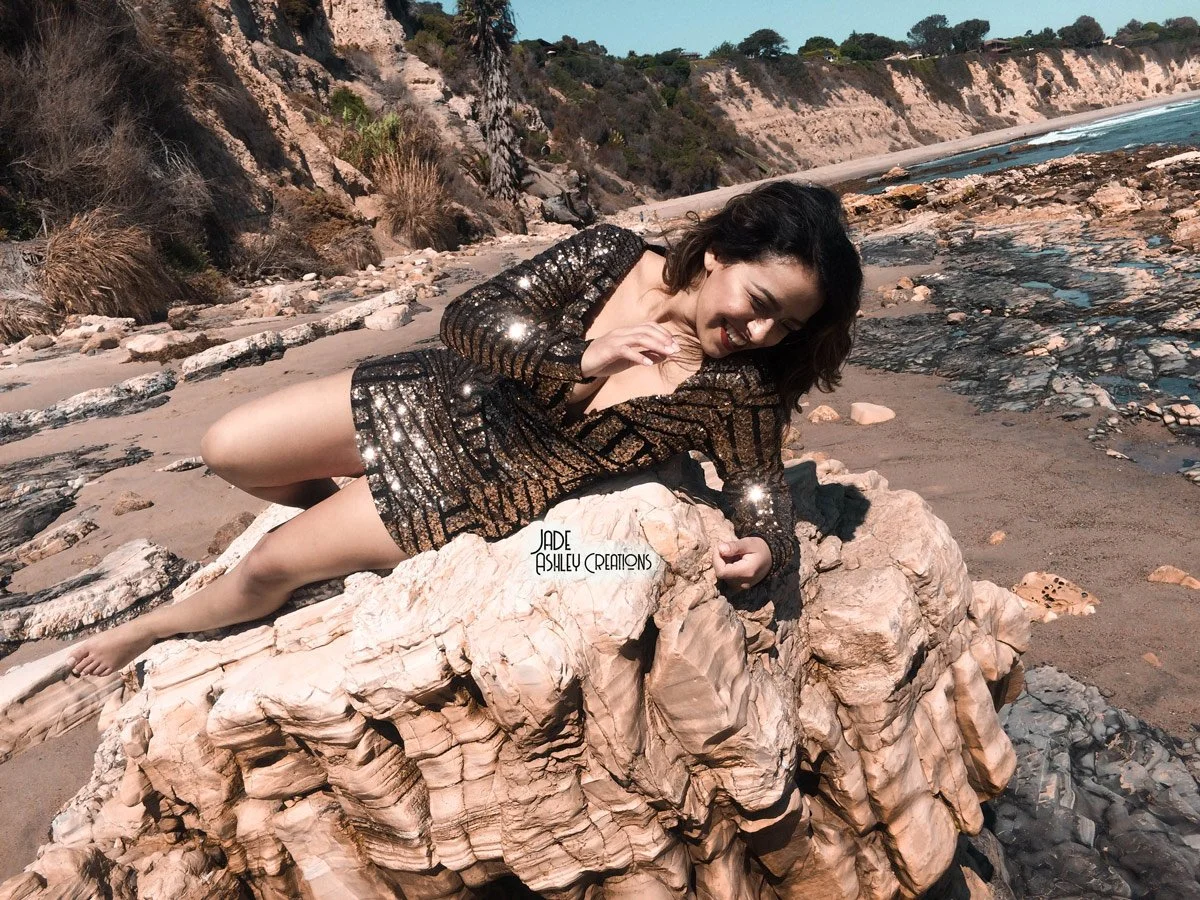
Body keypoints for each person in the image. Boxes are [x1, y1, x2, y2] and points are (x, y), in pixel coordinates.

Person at [66, 180, 862, 678]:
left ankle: (151, 627)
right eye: (759, 302)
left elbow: (760, 491)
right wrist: (582, 353)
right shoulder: (612, 254)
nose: (760, 334)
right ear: (720, 252)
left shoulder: (736, 389)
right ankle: (331, 515)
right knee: (227, 448)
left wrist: (765, 545)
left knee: (270, 566)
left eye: (786, 327)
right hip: (435, 393)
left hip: (474, 487)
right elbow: (470, 317)